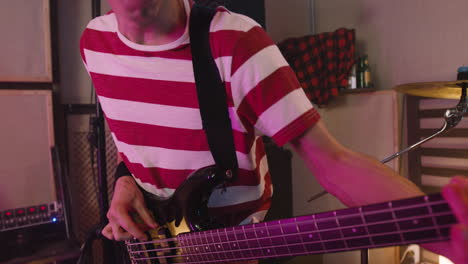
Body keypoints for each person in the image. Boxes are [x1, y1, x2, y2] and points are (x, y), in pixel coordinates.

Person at [79, 0, 468, 263]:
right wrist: (125, 182)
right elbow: (136, 143)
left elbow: (333, 163)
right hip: (148, 246)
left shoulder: (235, 42)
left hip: (231, 249)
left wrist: (446, 226)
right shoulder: (93, 44)